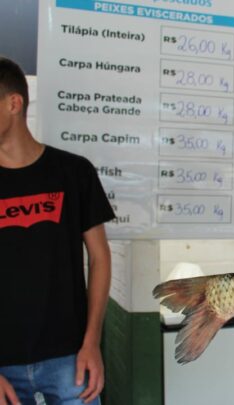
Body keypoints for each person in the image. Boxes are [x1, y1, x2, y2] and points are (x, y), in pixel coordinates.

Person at [0, 56, 115, 405]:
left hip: (71, 362)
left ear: (13, 104)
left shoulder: (74, 173)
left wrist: (92, 342)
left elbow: (99, 258)